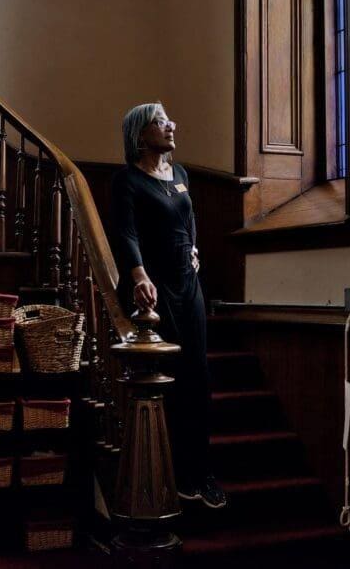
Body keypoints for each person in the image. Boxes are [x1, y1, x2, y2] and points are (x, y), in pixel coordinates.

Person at [110, 102, 227, 509]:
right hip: (155, 286)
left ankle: (201, 472)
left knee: (200, 375)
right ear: (141, 134)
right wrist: (138, 275)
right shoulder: (126, 180)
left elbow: (188, 218)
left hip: (188, 282)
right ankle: (172, 470)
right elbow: (126, 233)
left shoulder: (180, 174)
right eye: (161, 121)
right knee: (171, 375)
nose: (171, 124)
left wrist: (194, 249)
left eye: (168, 119)